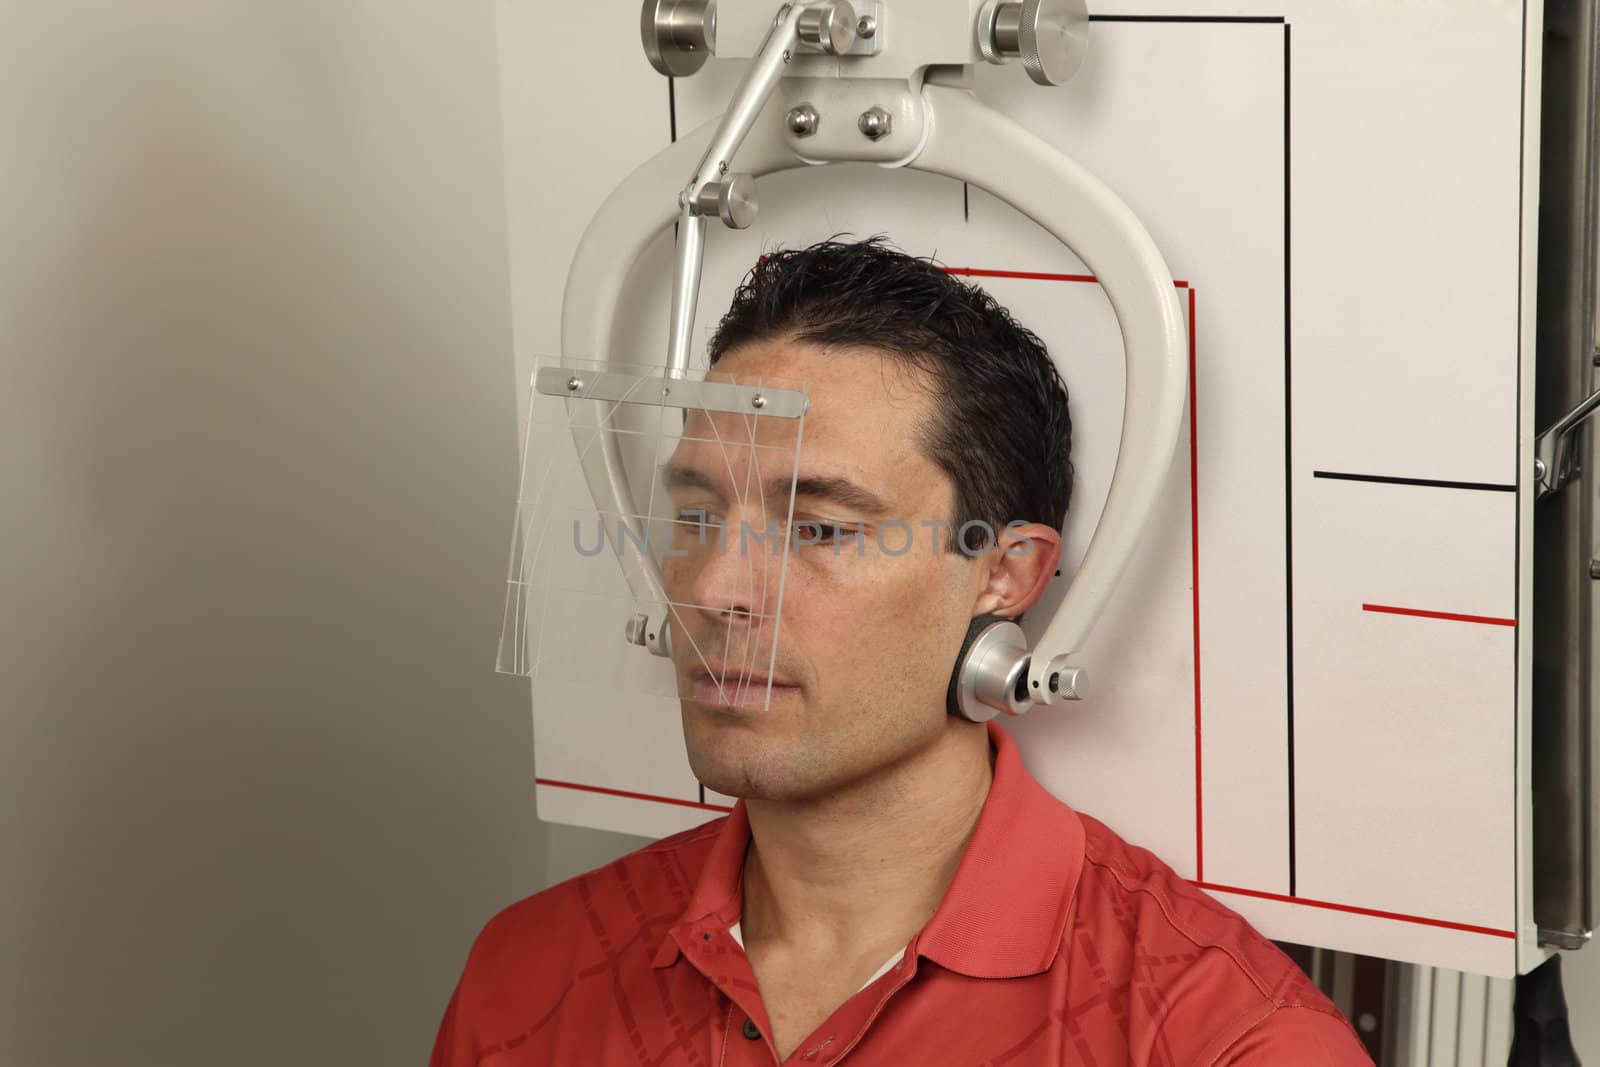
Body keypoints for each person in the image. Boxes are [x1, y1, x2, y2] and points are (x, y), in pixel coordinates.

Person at [431, 237, 1372, 1065]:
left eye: (823, 530)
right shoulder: (531, 975)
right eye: (696, 514)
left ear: (1003, 575)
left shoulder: (1220, 1041)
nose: (715, 588)